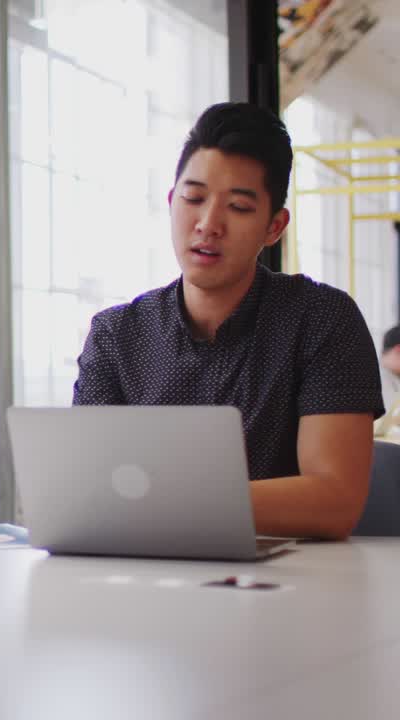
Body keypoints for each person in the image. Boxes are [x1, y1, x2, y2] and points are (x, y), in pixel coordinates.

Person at [73, 102, 382, 540]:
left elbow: (335, 502)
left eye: (238, 207)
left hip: (288, 586)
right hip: (145, 578)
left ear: (274, 227)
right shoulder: (115, 336)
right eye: (193, 199)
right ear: (170, 201)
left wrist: (166, 501)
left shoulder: (323, 320)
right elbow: (86, 491)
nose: (208, 224)